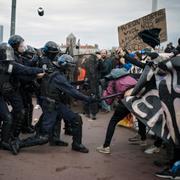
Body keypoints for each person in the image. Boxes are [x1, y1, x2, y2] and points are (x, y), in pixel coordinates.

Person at [16, 54, 95, 154]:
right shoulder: (58, 76)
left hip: (56, 104)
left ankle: (76, 144)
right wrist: (88, 99)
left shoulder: (56, 72)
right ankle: (19, 143)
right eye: (69, 66)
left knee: (76, 119)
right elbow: (72, 91)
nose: (70, 69)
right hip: (51, 106)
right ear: (64, 65)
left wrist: (81, 83)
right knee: (43, 137)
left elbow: (66, 85)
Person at [0, 42, 45, 155]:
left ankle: (5, 141)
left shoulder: (10, 64)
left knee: (8, 117)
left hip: (2, 94)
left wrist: (39, 71)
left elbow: (24, 70)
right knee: (7, 117)